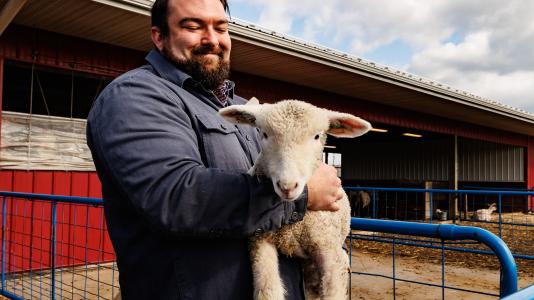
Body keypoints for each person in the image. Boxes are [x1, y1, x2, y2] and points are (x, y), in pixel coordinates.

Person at [85, 0, 343, 299]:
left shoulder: (246, 110)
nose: (212, 39)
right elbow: (174, 197)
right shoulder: (135, 96)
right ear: (159, 37)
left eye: (221, 27)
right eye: (193, 26)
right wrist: (305, 194)